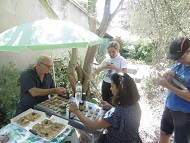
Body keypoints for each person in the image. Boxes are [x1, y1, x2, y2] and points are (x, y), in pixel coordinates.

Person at [70, 72, 142, 143]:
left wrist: (76, 110)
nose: (110, 89)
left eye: (112, 86)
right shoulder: (135, 104)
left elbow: (92, 126)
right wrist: (111, 107)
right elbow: (123, 117)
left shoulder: (116, 112)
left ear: (119, 89)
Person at [157, 37, 190, 143]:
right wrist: (169, 74)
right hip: (170, 106)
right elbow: (179, 82)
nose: (177, 60)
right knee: (164, 134)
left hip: (184, 113)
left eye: (180, 57)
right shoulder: (180, 63)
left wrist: (167, 85)